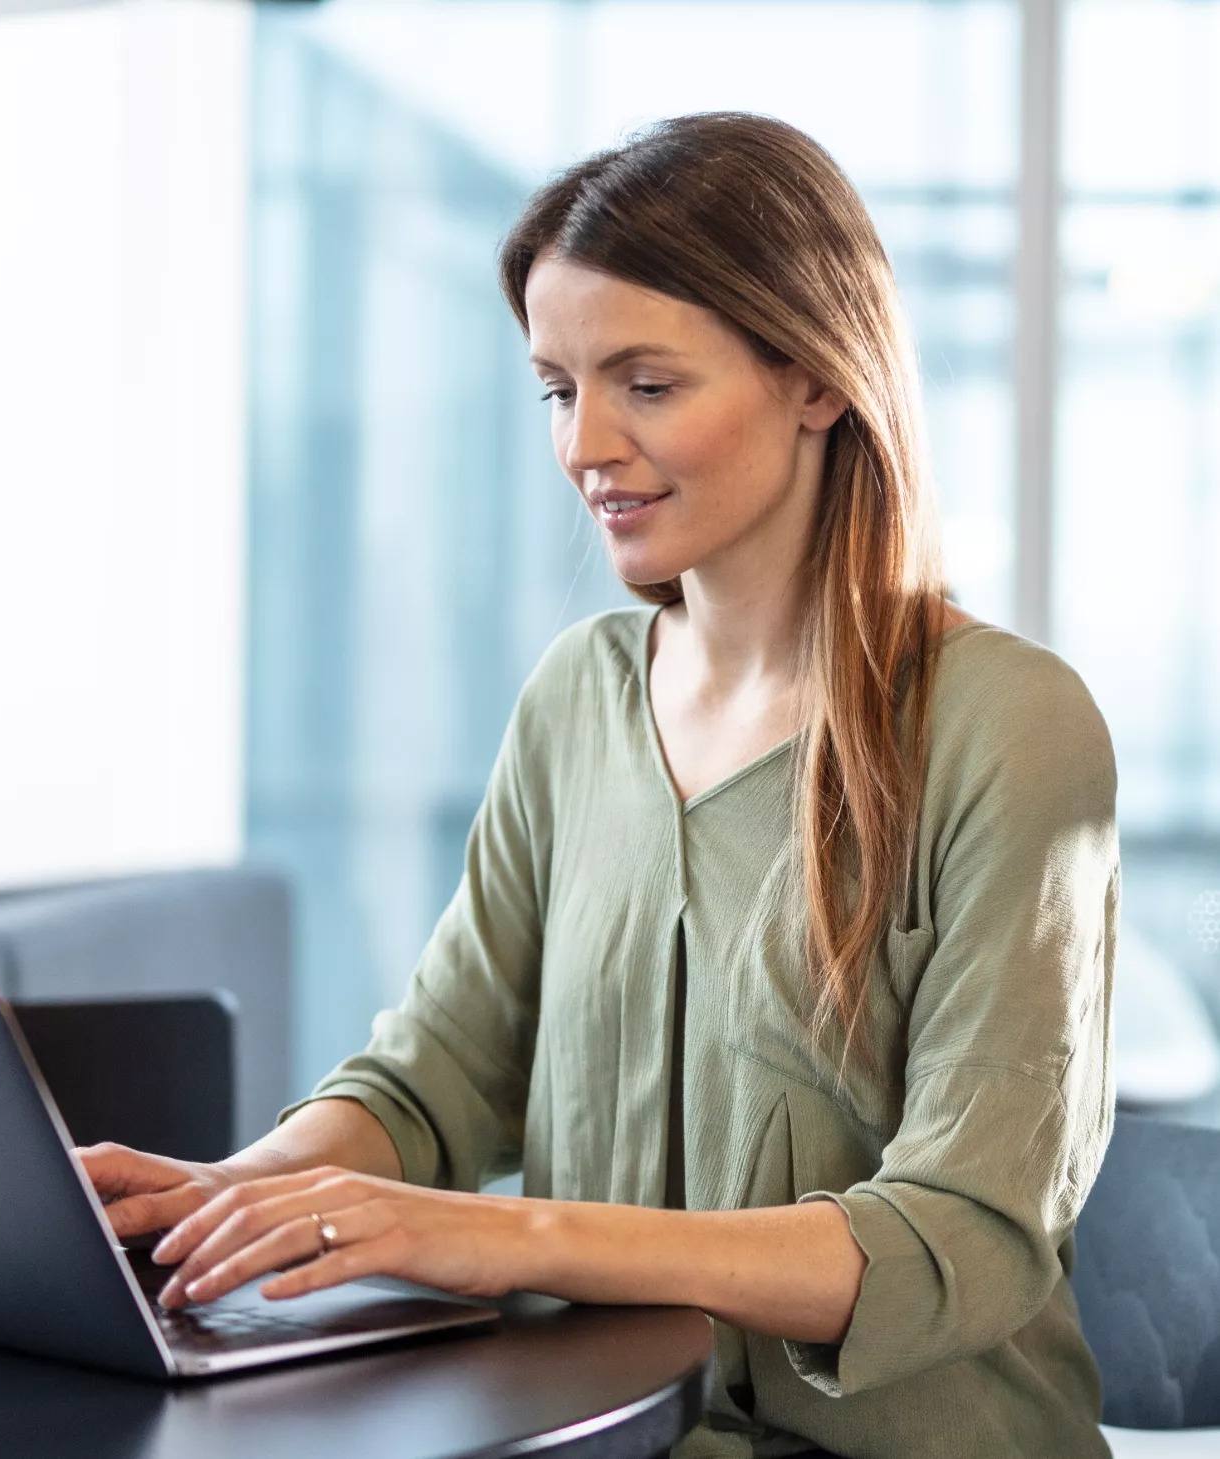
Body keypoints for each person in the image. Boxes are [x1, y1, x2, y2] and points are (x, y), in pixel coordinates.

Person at [82, 113, 1119, 1458]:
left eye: (645, 381)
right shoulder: (578, 696)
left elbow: (959, 1232)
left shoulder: (1007, 726)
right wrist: (233, 1194)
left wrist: (494, 1234)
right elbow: (434, 1078)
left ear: (815, 378)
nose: (583, 444)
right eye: (557, 386)